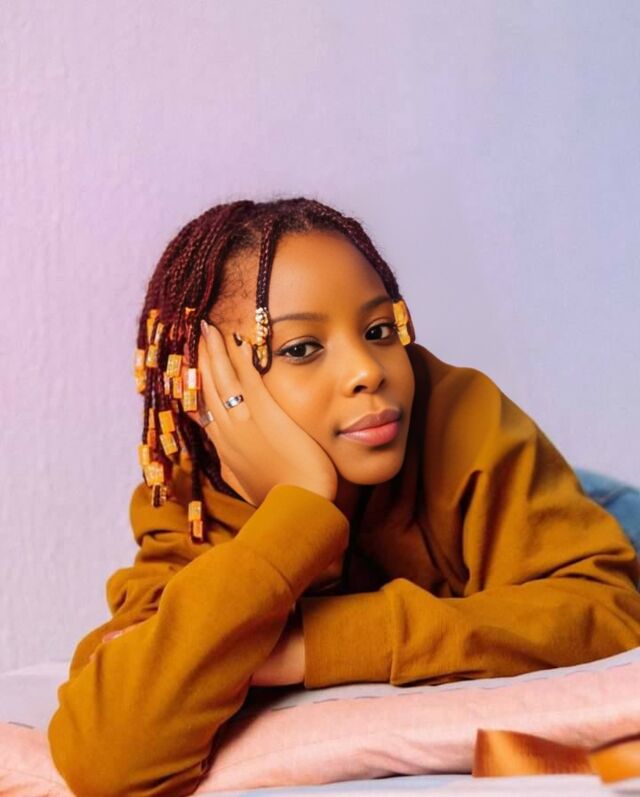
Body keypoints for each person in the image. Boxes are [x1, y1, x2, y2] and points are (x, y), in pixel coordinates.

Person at [47, 198, 640, 797]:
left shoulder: (461, 413)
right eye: (300, 348)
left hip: (600, 511)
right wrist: (301, 504)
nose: (368, 370)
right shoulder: (192, 498)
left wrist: (308, 647)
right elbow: (109, 755)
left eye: (379, 331)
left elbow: (610, 613)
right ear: (207, 385)